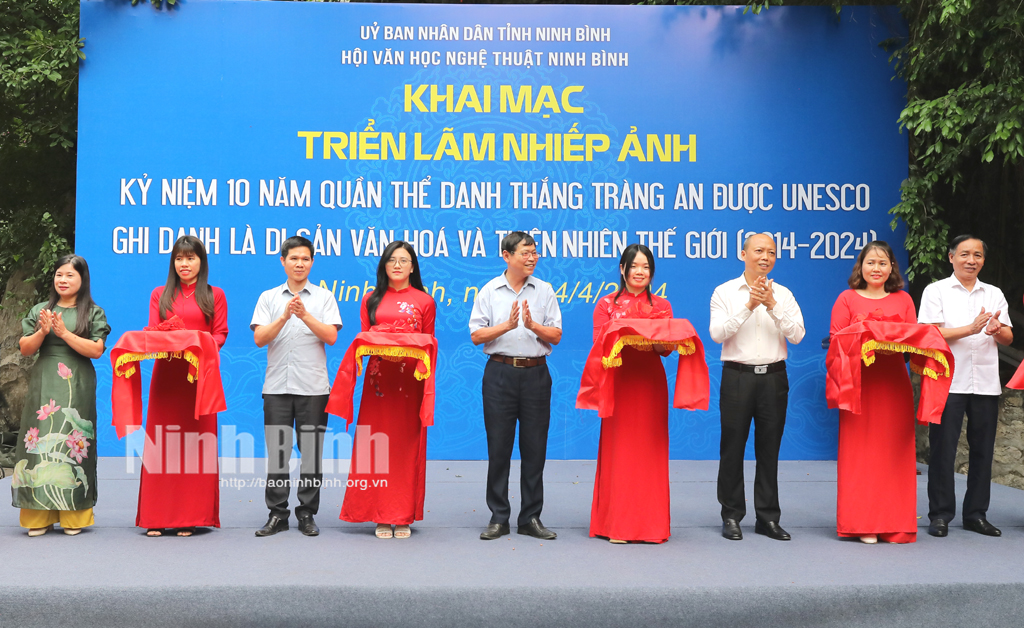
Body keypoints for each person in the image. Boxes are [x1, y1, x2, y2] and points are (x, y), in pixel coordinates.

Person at [709, 233, 805, 541]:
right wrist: (749, 305)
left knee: (769, 449)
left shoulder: (784, 294)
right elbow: (717, 333)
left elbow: (798, 335)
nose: (765, 257)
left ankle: (768, 517)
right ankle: (732, 515)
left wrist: (773, 305)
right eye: (759, 251)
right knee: (732, 447)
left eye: (771, 252)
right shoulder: (724, 292)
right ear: (743, 254)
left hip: (774, 378)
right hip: (738, 376)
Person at [469, 231, 562, 541]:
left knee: (535, 448)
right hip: (500, 374)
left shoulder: (545, 290)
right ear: (506, 256)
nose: (532, 257)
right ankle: (498, 517)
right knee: (499, 448)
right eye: (525, 252)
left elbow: (557, 335)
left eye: (534, 252)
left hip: (536, 375)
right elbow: (476, 335)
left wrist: (533, 325)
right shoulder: (490, 291)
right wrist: (507, 326)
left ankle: (530, 517)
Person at [340, 241, 436, 539]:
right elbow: (365, 337)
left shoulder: (425, 301)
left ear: (412, 266)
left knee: (406, 448)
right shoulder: (371, 298)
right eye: (392, 260)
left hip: (410, 384)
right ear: (384, 265)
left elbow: (429, 343)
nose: (397, 265)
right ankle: (379, 514)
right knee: (376, 445)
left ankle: (403, 514)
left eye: (403, 260)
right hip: (378, 383)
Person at [921, 235, 1012, 537]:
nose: (971, 260)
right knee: (943, 450)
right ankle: (940, 515)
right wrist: (970, 329)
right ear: (951, 257)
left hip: (985, 382)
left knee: (983, 451)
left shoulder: (994, 293)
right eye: (964, 254)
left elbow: (1009, 337)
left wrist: (997, 331)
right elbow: (930, 333)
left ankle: (976, 514)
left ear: (983, 260)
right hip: (949, 380)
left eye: (977, 255)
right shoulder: (936, 291)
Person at [13, 255, 110, 536]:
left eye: (70, 275)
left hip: (76, 381)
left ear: (82, 280)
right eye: (59, 275)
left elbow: (96, 351)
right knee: (38, 438)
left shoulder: (92, 312)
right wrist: (43, 332)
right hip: (45, 380)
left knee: (74, 441)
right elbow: (26, 349)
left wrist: (65, 334)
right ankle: (37, 517)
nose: (63, 280)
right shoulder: (40, 310)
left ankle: (73, 517)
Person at [252, 235, 342, 537]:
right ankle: (277, 514)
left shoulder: (324, 298)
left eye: (305, 258)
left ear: (312, 262)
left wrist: (304, 315)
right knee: (278, 454)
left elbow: (330, 336)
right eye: (293, 258)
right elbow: (260, 338)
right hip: (277, 386)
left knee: (311, 454)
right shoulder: (268, 297)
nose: (299, 263)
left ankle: (306, 513)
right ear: (283, 261)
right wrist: (284, 315)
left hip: (314, 388)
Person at [137, 235, 228, 537]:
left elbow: (219, 336)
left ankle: (189, 516)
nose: (184, 264)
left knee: (194, 446)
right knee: (162, 444)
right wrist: (171, 344)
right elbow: (153, 333)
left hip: (199, 377)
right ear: (172, 262)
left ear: (201, 262)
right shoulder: (158, 294)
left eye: (190, 258)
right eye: (179, 258)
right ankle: (155, 516)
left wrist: (195, 347)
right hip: (167, 377)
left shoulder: (214, 295)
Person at [829, 242, 919, 543]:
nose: (877, 268)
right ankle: (862, 523)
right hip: (859, 385)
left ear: (892, 267)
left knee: (894, 452)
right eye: (871, 262)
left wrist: (888, 340)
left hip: (893, 384)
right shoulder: (847, 298)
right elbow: (836, 341)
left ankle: (895, 523)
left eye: (883, 262)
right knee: (861, 455)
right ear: (861, 267)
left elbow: (913, 340)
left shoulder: (904, 299)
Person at [588, 244, 674, 543]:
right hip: (619, 381)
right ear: (623, 269)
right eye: (634, 266)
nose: (640, 272)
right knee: (619, 451)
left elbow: (664, 349)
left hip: (650, 383)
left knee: (649, 450)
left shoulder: (662, 306)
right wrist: (625, 333)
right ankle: (617, 526)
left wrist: (661, 340)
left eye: (646, 267)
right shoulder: (606, 305)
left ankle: (651, 527)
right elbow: (600, 345)